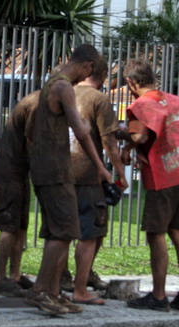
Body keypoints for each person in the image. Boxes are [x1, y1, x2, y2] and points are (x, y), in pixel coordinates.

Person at [25, 44, 112, 315]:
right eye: (89, 70)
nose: (84, 78)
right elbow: (82, 132)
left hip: (48, 168)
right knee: (62, 232)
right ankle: (42, 292)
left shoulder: (51, 82)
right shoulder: (63, 87)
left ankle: (53, 292)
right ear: (87, 66)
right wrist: (100, 166)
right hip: (55, 170)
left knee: (62, 231)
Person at [121, 58, 179, 312]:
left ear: (132, 81)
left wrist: (121, 135)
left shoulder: (140, 105)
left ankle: (158, 295)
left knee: (156, 233)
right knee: (178, 232)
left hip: (161, 175)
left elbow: (141, 135)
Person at [63, 55, 129, 305]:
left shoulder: (64, 91)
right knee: (91, 230)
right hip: (87, 173)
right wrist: (119, 172)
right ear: (102, 76)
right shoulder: (99, 99)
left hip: (61, 170)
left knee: (63, 229)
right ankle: (82, 285)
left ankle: (62, 276)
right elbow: (108, 141)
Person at [0, 91, 40, 297]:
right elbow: (32, 141)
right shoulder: (37, 105)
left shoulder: (38, 101)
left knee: (21, 224)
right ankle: (0, 278)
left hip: (20, 168)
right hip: (10, 168)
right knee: (9, 223)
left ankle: (15, 275)